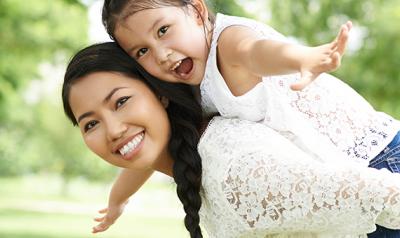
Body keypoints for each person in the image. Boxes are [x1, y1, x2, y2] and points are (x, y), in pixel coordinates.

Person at [101, 2, 400, 236]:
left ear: (197, 10)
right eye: (142, 51)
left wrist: (302, 58)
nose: (161, 54)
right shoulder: (185, 84)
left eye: (163, 30)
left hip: (378, 157)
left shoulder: (227, 42)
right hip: (346, 179)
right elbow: (157, 143)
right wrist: (118, 198)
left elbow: (255, 51)